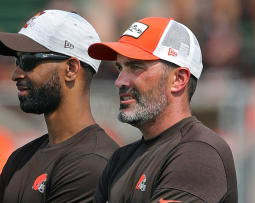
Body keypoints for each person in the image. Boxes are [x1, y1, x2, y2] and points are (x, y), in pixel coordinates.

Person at [88, 17, 238, 202]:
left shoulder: (199, 152)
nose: (119, 81)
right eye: (120, 68)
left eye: (135, 67)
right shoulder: (121, 159)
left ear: (178, 79)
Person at [0, 10, 119, 203]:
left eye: (28, 61)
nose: (16, 74)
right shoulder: (20, 158)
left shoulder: (93, 163)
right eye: (17, 60)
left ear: (71, 69)